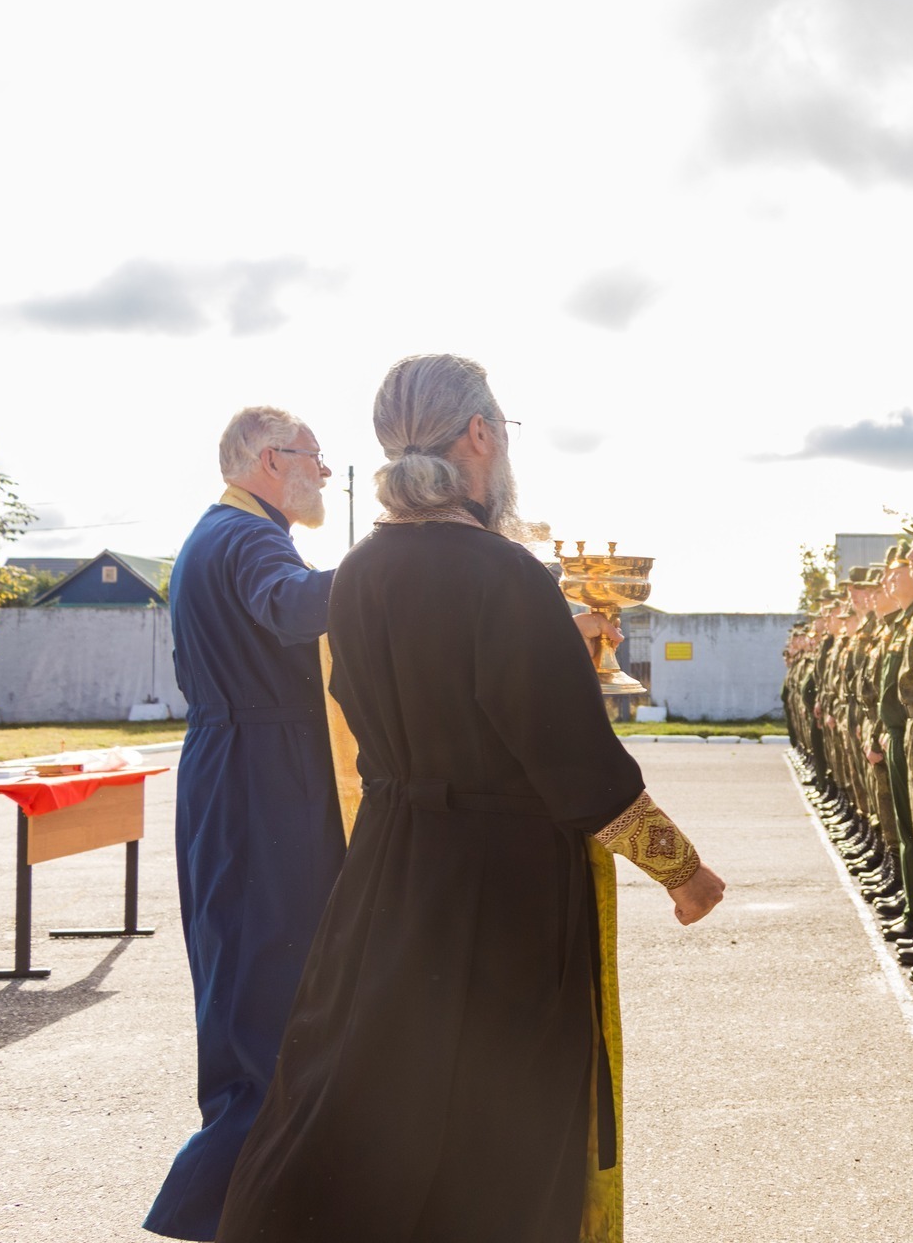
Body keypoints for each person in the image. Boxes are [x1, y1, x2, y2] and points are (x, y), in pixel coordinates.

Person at [216, 354, 724, 1243]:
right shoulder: (508, 574)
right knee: (501, 1131)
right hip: (503, 893)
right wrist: (683, 872)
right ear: (481, 437)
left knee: (372, 1100)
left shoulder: (361, 570)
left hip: (387, 879)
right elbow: (571, 759)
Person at [146, 406, 340, 1241]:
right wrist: (401, 565)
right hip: (262, 778)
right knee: (271, 996)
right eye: (316, 458)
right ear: (269, 460)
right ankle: (210, 1214)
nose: (326, 474)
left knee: (253, 996)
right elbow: (295, 610)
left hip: (238, 768)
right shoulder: (248, 538)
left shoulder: (220, 534)